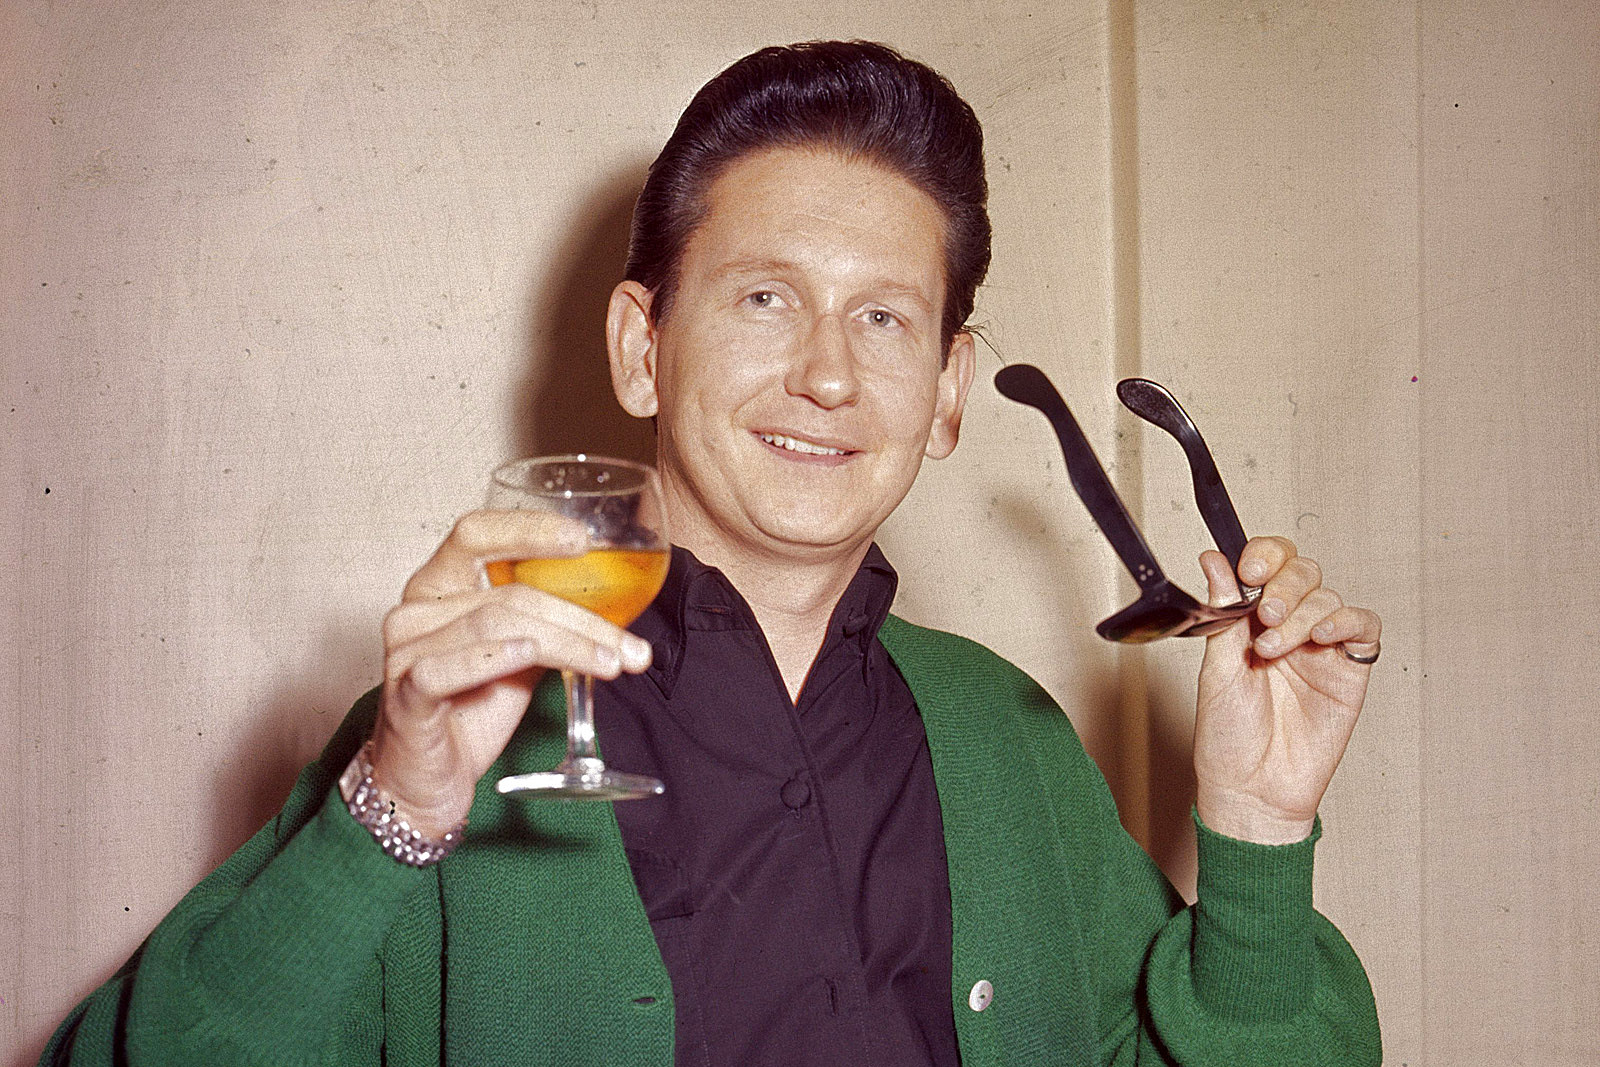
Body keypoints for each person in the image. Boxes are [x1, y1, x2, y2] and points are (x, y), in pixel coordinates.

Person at [42, 40, 1383, 1066]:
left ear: (950, 393)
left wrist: (1259, 834)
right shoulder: (450, 736)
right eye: (764, 298)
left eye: (884, 319)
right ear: (642, 346)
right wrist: (387, 816)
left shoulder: (1013, 740)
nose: (827, 376)